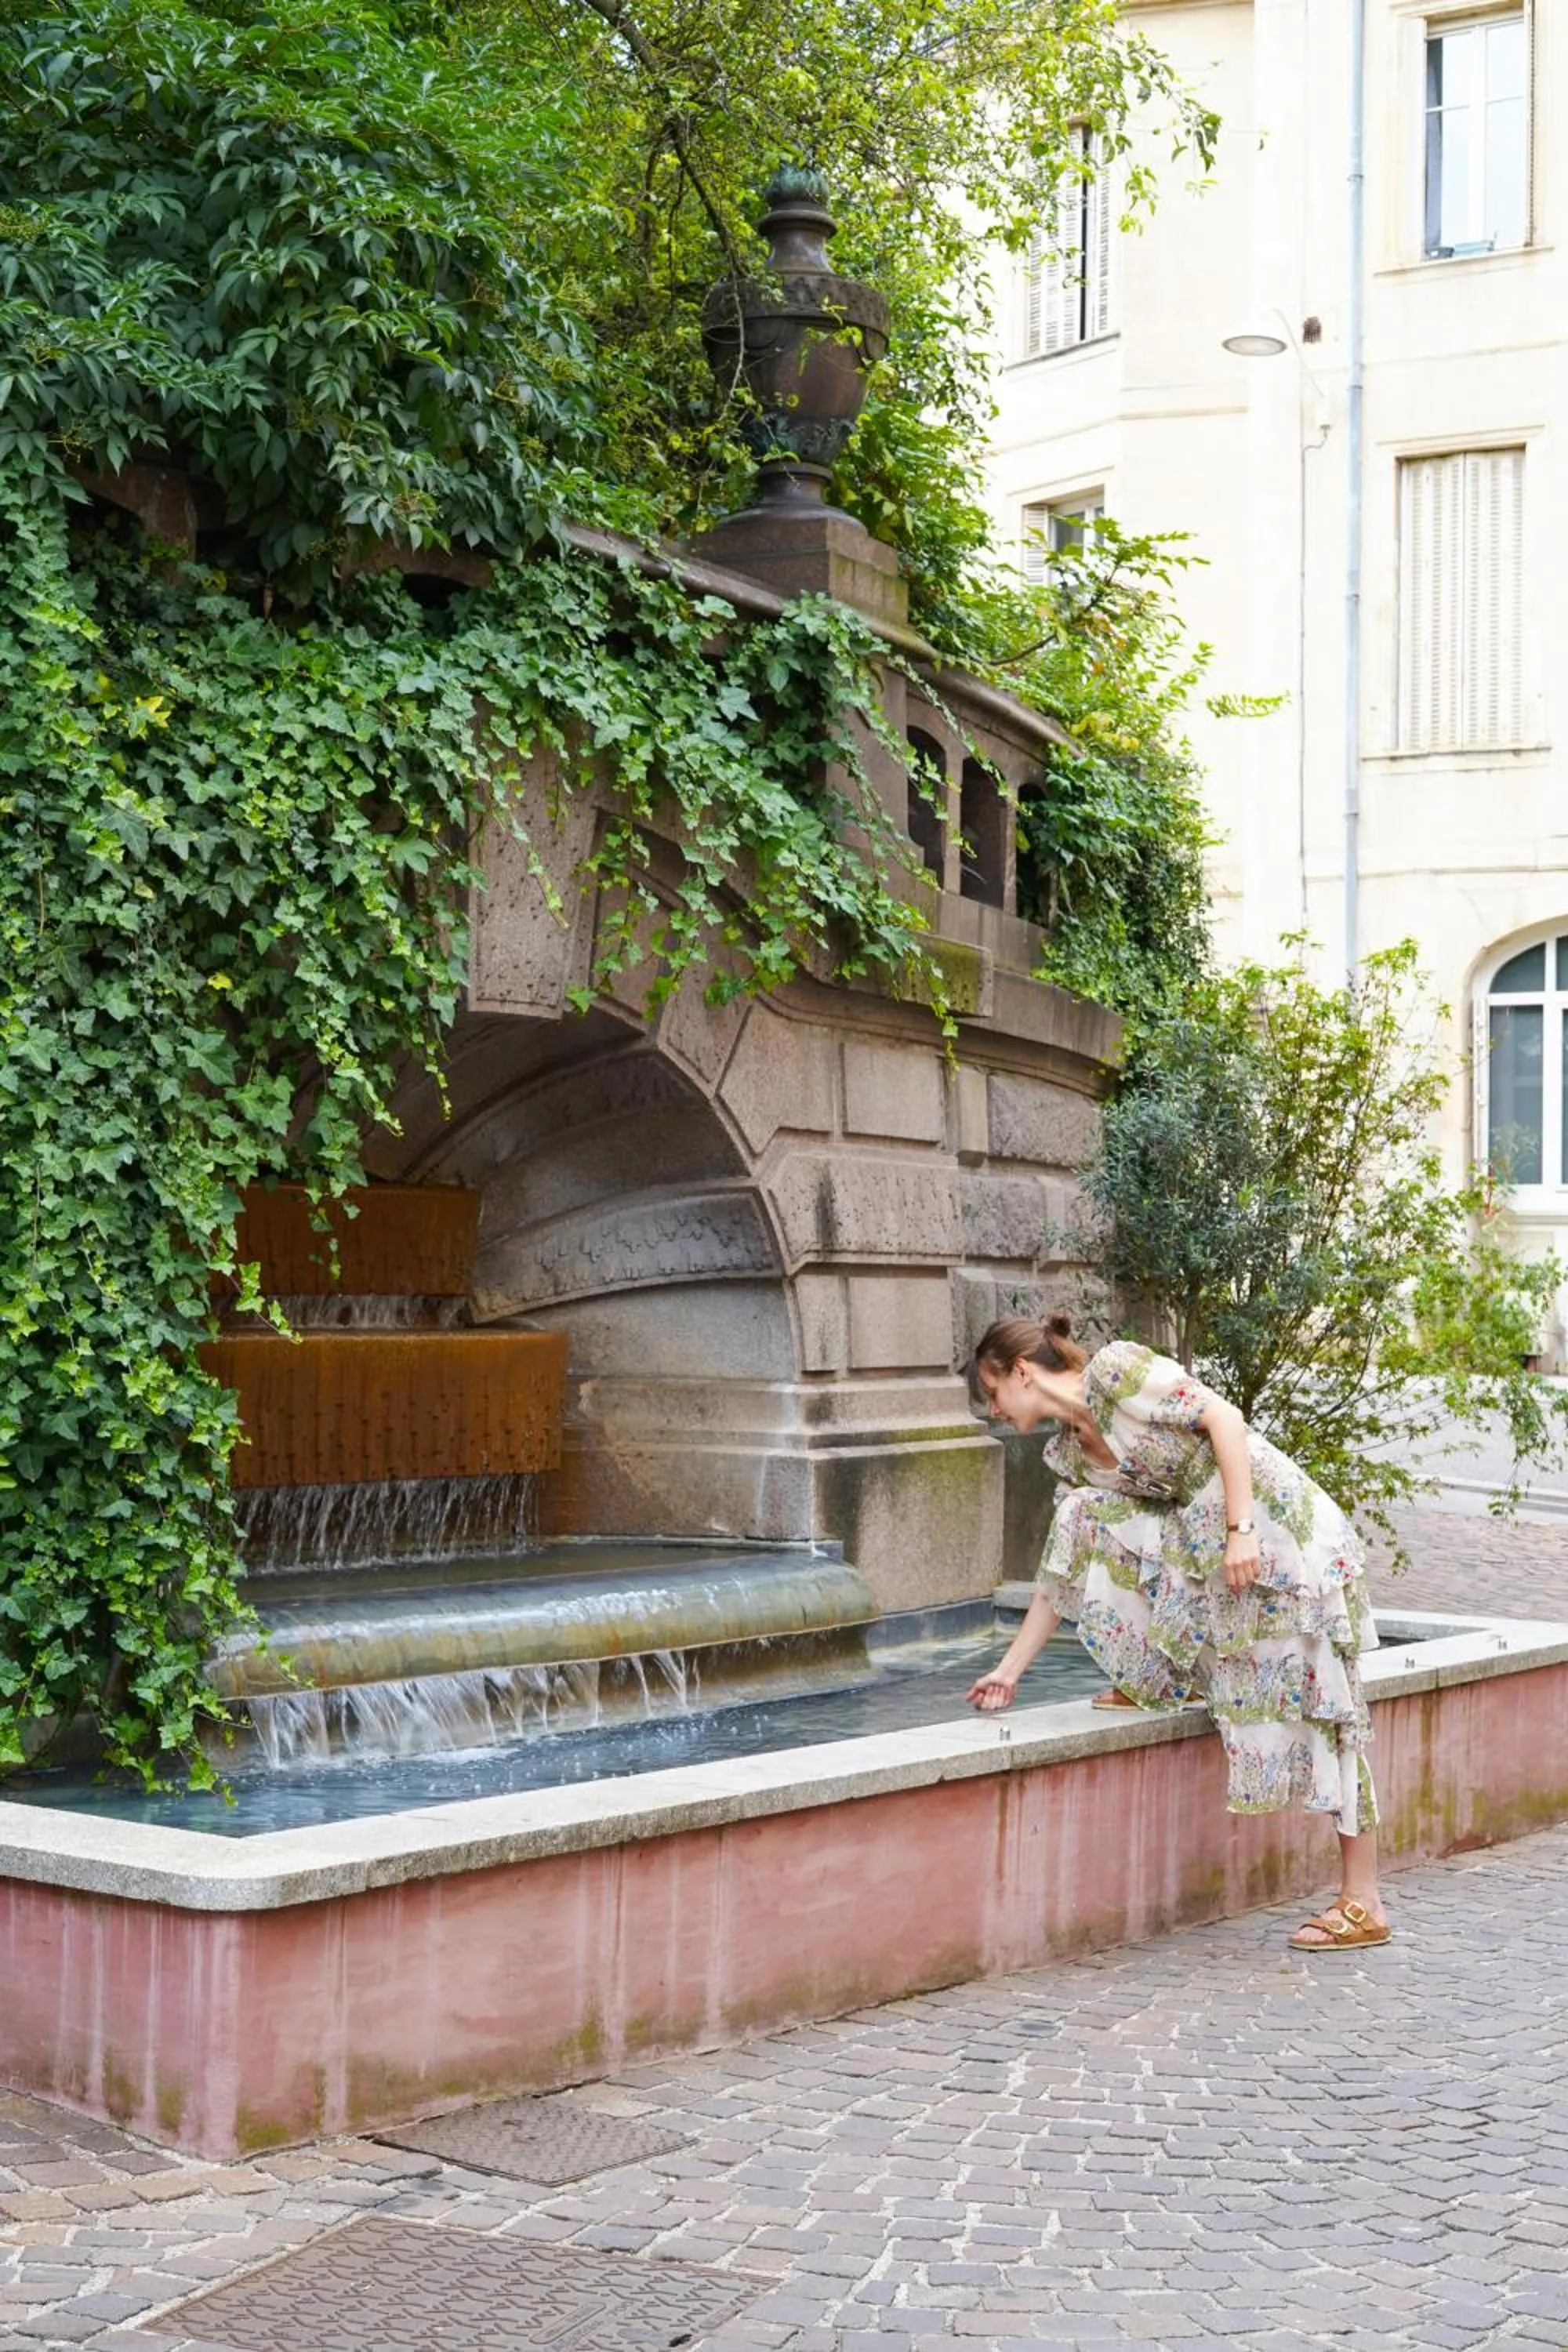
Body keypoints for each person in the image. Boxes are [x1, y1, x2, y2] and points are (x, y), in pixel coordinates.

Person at [964, 1313, 1389, 1952]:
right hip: (1209, 1553)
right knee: (1081, 1516)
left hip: (1270, 1529)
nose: (993, 1410)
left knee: (1326, 1704)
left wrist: (1241, 1529)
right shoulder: (1072, 1450)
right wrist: (1009, 1671)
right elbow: (1062, 1567)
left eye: (992, 1393)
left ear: (1021, 1371)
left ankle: (1365, 1900)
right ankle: (1161, 1677)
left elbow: (1226, 1420)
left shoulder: (1116, 1372)